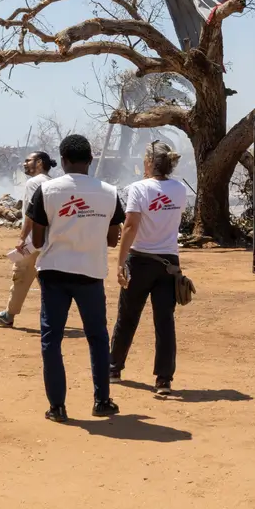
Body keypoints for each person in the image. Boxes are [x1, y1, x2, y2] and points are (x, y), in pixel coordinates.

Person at [27, 135, 126, 423]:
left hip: (54, 271)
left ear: (64, 160)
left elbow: (37, 237)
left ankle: (57, 407)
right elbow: (111, 239)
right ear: (90, 161)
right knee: (97, 337)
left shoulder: (47, 190)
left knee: (51, 339)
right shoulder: (109, 192)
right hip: (90, 273)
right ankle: (102, 401)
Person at [109, 142, 187, 396]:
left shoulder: (139, 189)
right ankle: (163, 380)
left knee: (128, 316)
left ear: (148, 163)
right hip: (169, 262)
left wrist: (120, 262)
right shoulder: (179, 189)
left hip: (140, 259)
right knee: (164, 320)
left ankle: (113, 367)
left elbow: (130, 226)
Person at [0, 151, 56, 327]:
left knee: (20, 276)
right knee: (45, 280)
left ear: (39, 162)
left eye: (28, 161)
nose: (24, 164)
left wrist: (22, 238)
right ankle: (55, 315)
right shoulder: (53, 183)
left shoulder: (34, 183)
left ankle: (8, 315)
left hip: (33, 242)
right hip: (49, 241)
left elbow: (32, 214)